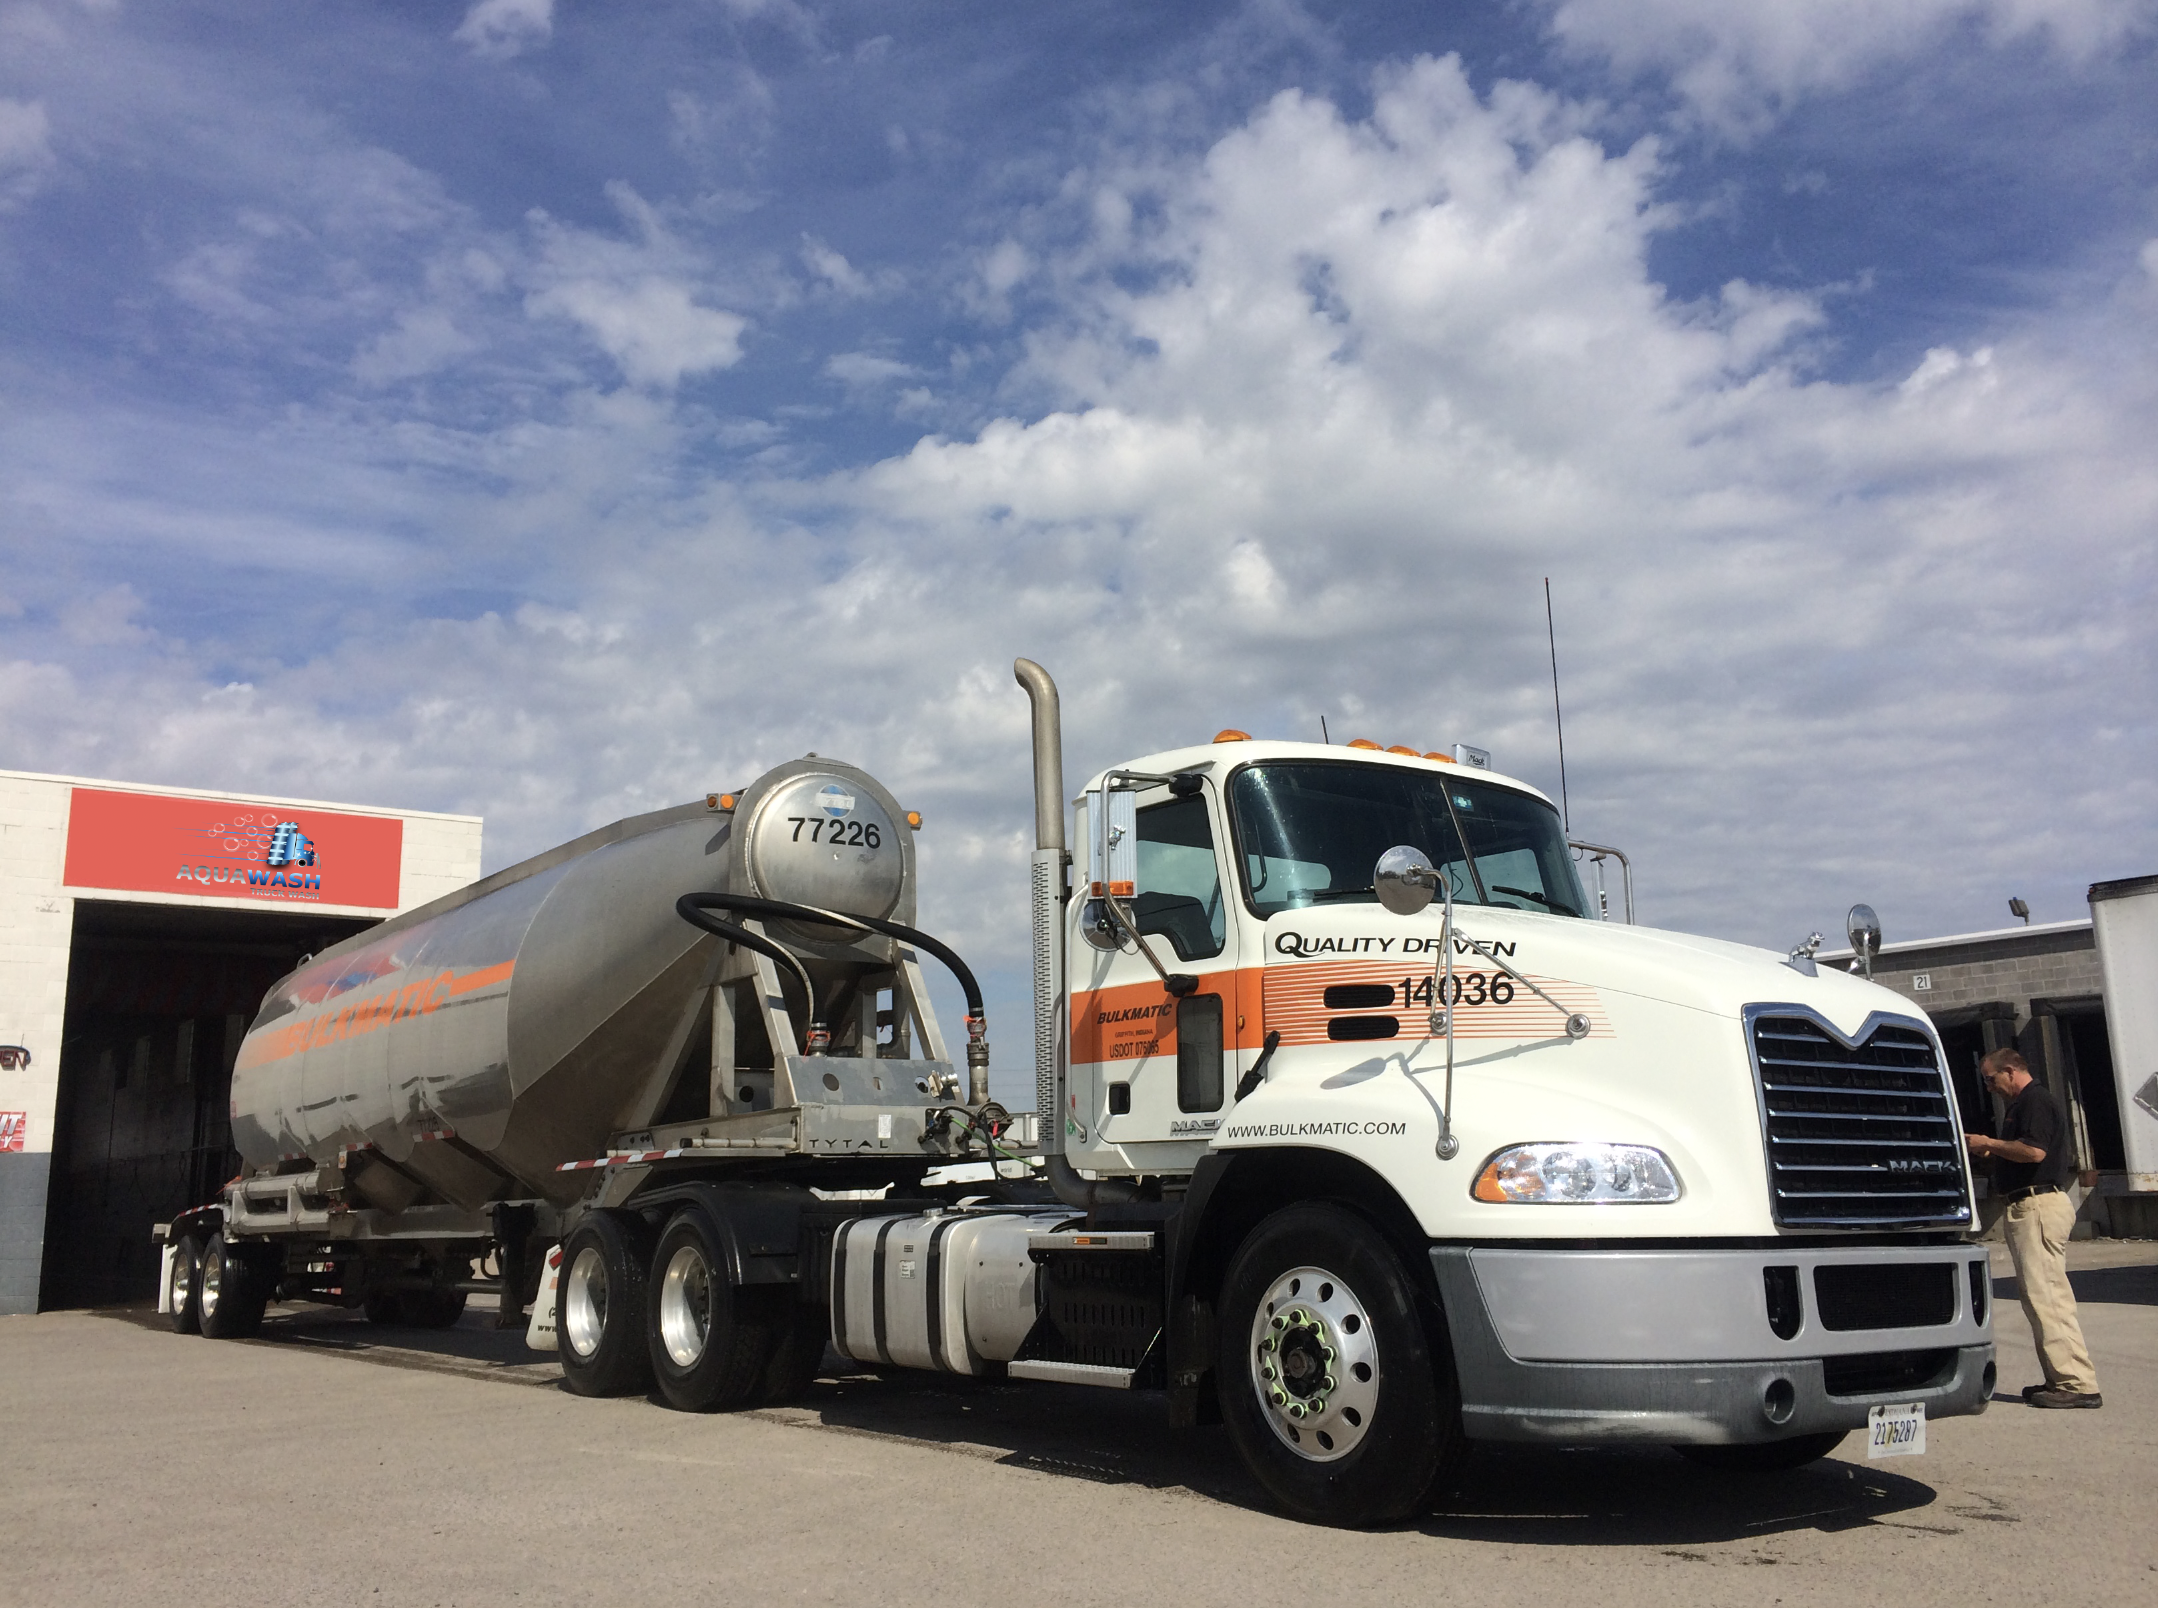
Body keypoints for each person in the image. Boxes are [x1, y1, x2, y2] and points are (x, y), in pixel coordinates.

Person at [1964, 1048, 2101, 1408]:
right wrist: (1993, 1154)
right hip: (2029, 1203)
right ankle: (2060, 1377)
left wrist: (1988, 1142)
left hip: (2038, 1205)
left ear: (2010, 1071)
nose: (1990, 1087)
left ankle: (2077, 1385)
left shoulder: (2034, 1101)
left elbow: (2035, 1153)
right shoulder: (2021, 1105)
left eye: (1991, 1079)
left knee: (2048, 1296)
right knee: (2038, 1296)